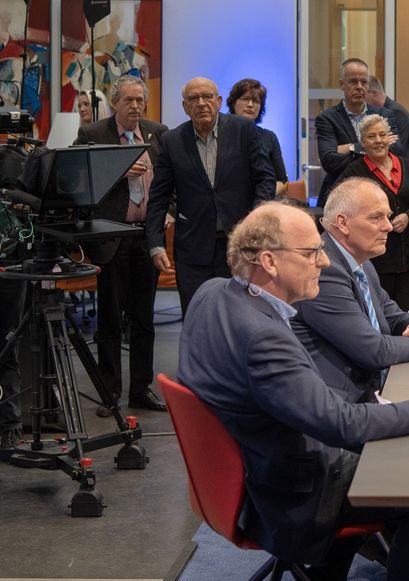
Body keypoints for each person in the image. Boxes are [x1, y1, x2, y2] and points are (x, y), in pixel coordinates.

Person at [178, 203, 409, 581]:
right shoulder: (263, 337)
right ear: (270, 262)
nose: (325, 260)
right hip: (286, 495)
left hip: (240, 477)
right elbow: (341, 424)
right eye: (312, 252)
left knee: (381, 455)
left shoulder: (213, 293)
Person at [293, 178, 409, 407]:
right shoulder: (324, 270)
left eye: (387, 217)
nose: (388, 226)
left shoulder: (360, 260)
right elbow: (372, 350)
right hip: (343, 404)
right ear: (343, 223)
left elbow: (390, 313)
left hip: (371, 389)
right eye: (376, 217)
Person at [74, 75, 168, 412]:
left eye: (140, 100)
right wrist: (118, 172)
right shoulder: (93, 135)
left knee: (144, 319)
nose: (135, 107)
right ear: (115, 102)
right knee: (110, 318)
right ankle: (109, 391)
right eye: (129, 100)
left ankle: (141, 389)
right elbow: (77, 182)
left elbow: (171, 179)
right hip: (112, 235)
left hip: (146, 237)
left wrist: (168, 213)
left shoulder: (158, 133)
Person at [145, 77, 275, 316]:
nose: (201, 103)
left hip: (239, 245)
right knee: (197, 318)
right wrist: (155, 244)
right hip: (192, 249)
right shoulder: (172, 141)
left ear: (218, 101)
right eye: (193, 99)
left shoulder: (243, 130)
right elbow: (159, 195)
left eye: (207, 97)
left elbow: (265, 179)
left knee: (240, 317)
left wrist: (257, 223)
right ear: (185, 107)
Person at [334, 115, 409, 311]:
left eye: (382, 135)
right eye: (371, 137)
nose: (378, 140)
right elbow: (336, 203)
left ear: (389, 138)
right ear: (362, 143)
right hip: (376, 260)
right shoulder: (354, 171)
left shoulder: (408, 166)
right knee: (382, 313)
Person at [315, 58, 405, 208]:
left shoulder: (384, 115)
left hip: (379, 193)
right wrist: (375, 149)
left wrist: (351, 148)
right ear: (341, 84)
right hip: (342, 197)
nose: (359, 87)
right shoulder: (327, 118)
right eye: (353, 82)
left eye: (364, 82)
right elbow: (329, 161)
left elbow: (397, 151)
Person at [227, 78, 288, 196]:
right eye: (245, 99)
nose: (250, 105)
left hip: (261, 204)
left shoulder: (269, 137)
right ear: (233, 103)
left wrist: (263, 197)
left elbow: (283, 182)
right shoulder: (221, 134)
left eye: (255, 101)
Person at [365, 74, 409, 159]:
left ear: (374, 93)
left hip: (404, 165)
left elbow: (398, 147)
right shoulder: (385, 110)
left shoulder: (396, 112)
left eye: (364, 94)